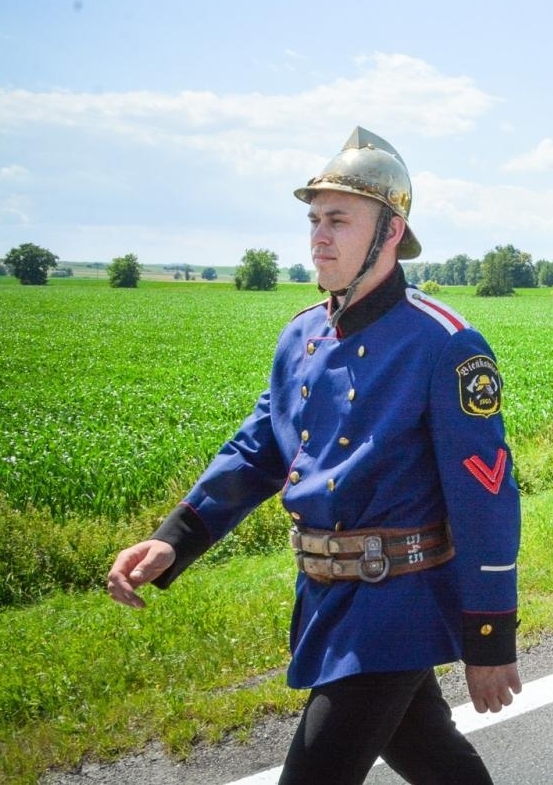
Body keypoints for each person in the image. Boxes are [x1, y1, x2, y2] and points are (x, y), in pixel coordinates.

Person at [106, 128, 522, 785]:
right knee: (441, 767)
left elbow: (486, 495)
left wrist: (490, 636)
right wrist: (174, 539)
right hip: (326, 602)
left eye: (338, 220)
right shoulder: (300, 336)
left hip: (397, 607)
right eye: (314, 220)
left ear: (390, 231)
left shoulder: (444, 343)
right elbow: (259, 449)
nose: (318, 237)